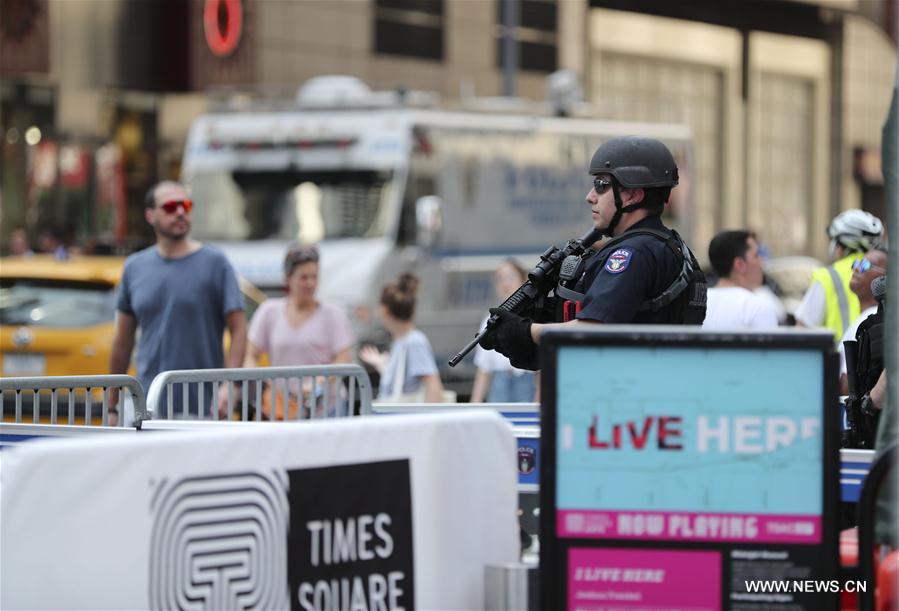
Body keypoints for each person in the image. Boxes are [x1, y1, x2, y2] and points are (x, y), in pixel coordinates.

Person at [480, 135, 707, 369]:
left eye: (601, 185)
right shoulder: (672, 247)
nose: (590, 196)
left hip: (622, 393)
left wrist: (525, 331)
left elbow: (594, 331)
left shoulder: (631, 254)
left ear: (632, 195)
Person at [109, 181, 247, 422]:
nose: (181, 212)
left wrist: (230, 384)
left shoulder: (216, 263)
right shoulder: (134, 267)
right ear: (150, 215)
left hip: (204, 405)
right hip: (148, 404)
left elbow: (239, 329)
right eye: (171, 206)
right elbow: (122, 342)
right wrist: (112, 406)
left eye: (185, 205)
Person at [245, 243, 355, 416]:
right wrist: (260, 384)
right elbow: (251, 355)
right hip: (282, 410)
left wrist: (318, 383)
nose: (310, 283)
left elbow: (343, 358)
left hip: (327, 409)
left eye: (314, 277)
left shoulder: (333, 314)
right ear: (288, 278)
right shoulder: (269, 311)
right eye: (303, 277)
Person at [795, 209, 883, 343]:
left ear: (840, 245)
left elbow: (802, 330)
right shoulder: (881, 269)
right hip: (875, 356)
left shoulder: (827, 276)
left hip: (838, 359)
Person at [359, 273, 446, 402]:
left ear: (385, 311)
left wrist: (429, 421)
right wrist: (381, 364)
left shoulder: (414, 342)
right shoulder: (403, 341)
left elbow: (433, 387)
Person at [470, 259, 537, 403]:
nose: (505, 283)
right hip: (499, 383)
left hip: (526, 383)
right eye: (500, 279)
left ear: (523, 280)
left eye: (511, 277)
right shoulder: (490, 320)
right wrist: (475, 403)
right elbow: (484, 370)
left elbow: (543, 370)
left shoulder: (534, 318)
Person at [703, 230, 779, 329]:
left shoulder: (695, 304)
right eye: (756, 255)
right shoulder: (759, 308)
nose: (762, 262)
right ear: (740, 264)